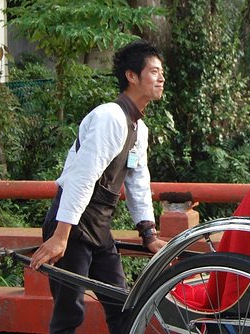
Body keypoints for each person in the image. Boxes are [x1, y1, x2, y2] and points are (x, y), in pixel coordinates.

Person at [29, 40, 167, 334]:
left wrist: (149, 234)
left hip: (99, 226)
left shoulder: (138, 127)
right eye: (154, 71)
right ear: (132, 76)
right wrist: (60, 236)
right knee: (69, 314)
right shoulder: (109, 117)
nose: (161, 78)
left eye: (161, 72)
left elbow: (138, 181)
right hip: (72, 224)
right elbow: (82, 176)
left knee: (123, 305)